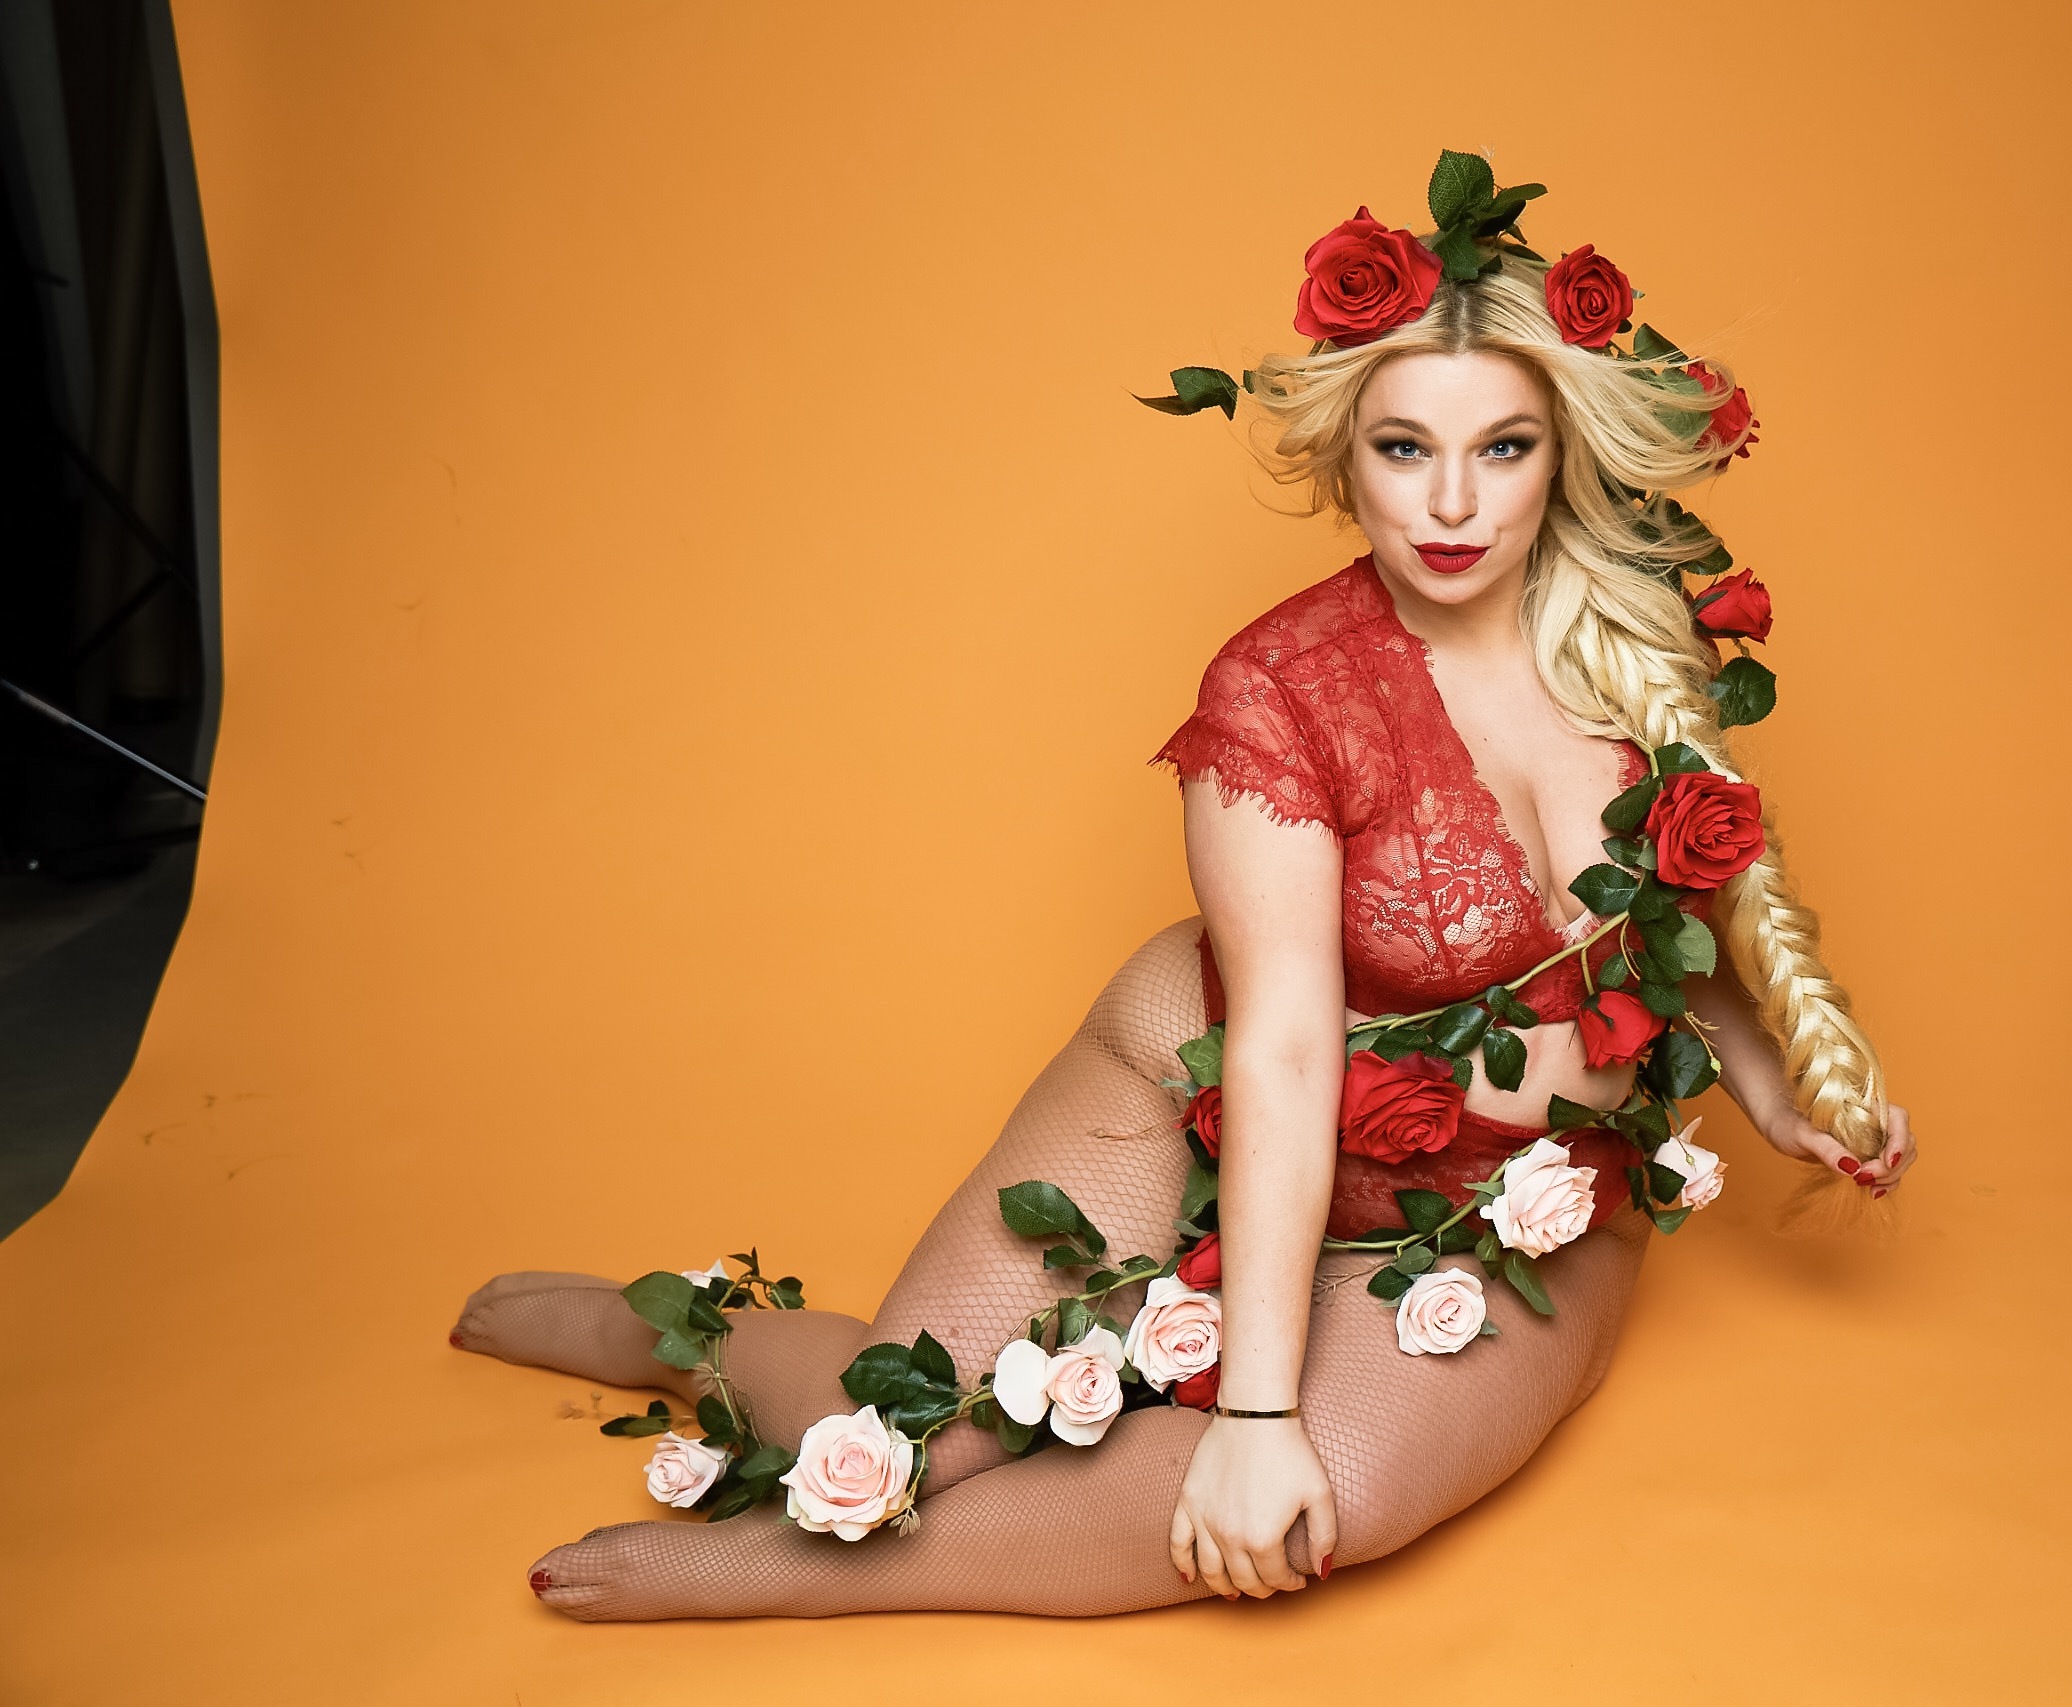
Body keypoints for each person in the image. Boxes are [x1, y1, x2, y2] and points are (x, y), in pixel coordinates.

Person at [451, 162, 1916, 1621]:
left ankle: (789, 1568)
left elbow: (1648, 924)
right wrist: (1255, 1412)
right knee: (907, 1427)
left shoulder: (1637, 639)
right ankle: (676, 1340)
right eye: (1405, 448)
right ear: (1347, 455)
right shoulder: (1278, 690)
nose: (1453, 503)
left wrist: (1769, 1084)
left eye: (1504, 448)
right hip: (1211, 1078)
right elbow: (1282, 1044)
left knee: (1332, 1495)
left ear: (1562, 452)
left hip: (1509, 1200)